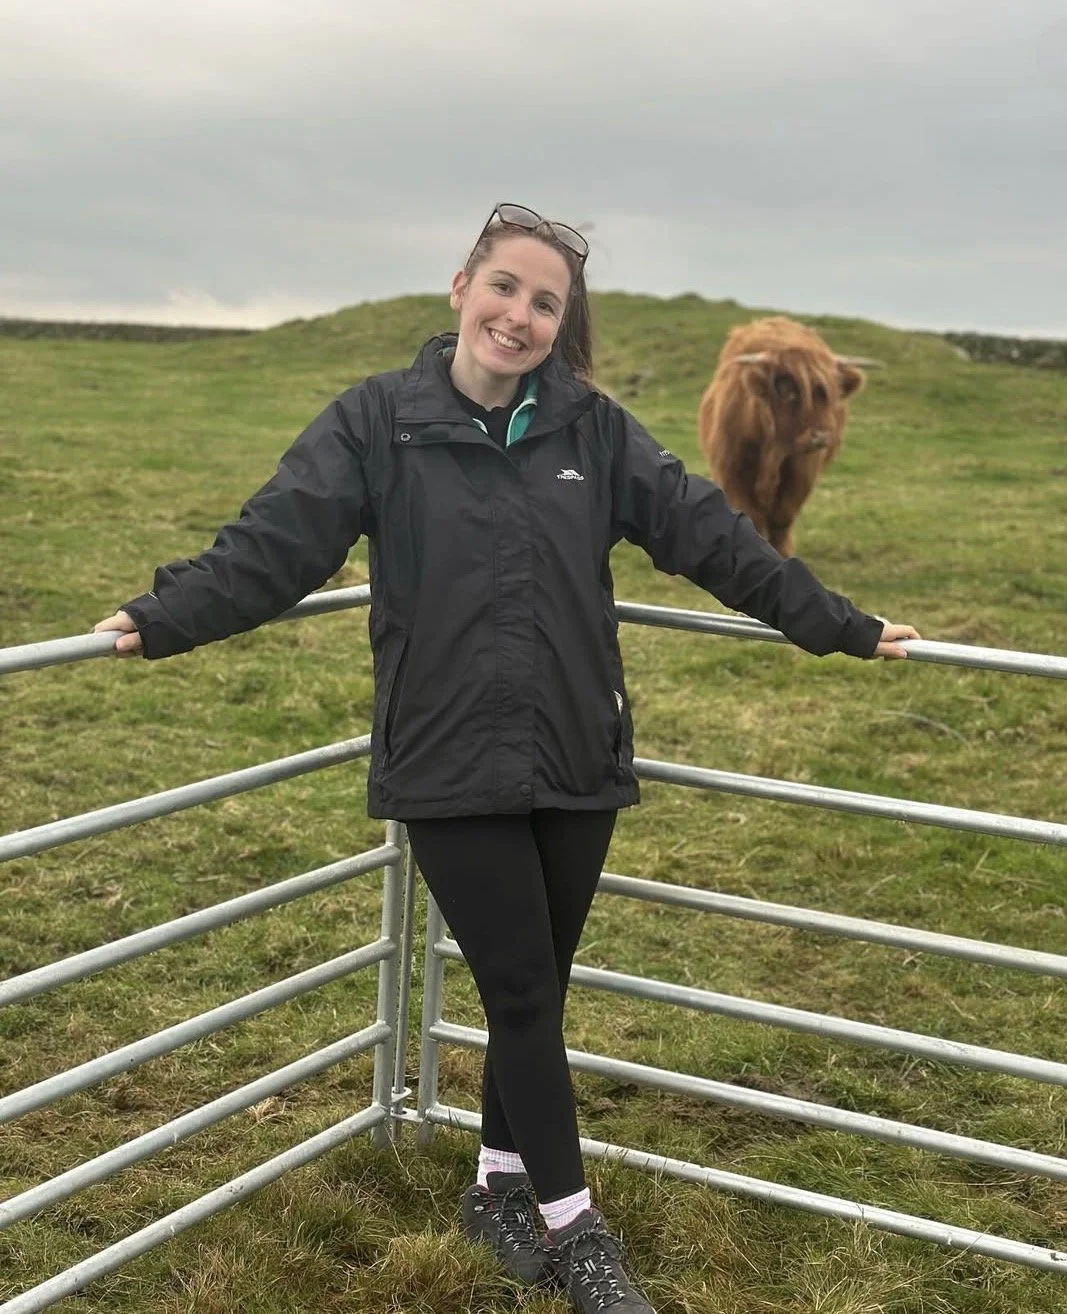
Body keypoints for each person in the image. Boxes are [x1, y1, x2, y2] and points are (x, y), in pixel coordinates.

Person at [94, 202, 920, 1314]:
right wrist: (168, 613)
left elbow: (712, 536)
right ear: (460, 289)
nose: (520, 316)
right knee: (524, 992)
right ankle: (582, 1240)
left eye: (546, 303)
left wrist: (841, 623)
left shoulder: (595, 432)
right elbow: (278, 542)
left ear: (561, 326)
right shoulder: (377, 423)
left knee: (535, 985)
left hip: (578, 753)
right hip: (447, 760)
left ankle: (495, 1184)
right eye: (506, 289)